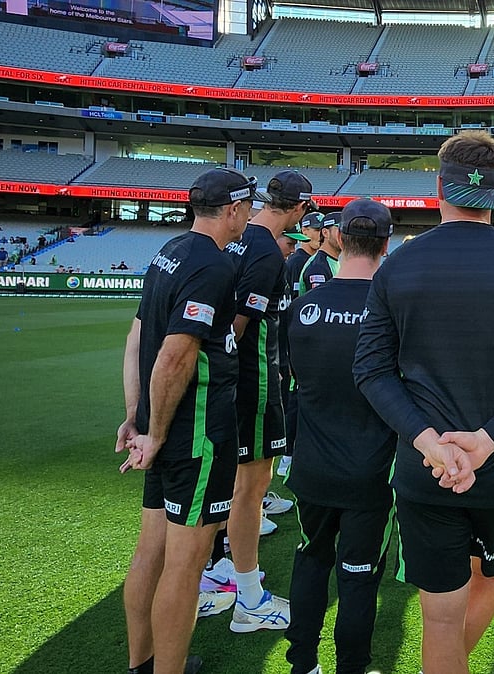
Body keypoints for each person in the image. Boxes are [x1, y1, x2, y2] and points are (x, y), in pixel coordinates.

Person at [353, 130, 494, 674]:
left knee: (440, 618)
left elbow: (372, 370)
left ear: (438, 187)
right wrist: (487, 441)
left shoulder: (398, 267)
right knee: (489, 583)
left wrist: (430, 442)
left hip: (425, 469)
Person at [115, 167, 255, 674]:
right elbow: (175, 356)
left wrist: (136, 416)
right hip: (196, 434)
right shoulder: (213, 266)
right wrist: (153, 430)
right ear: (235, 210)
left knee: (150, 552)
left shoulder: (168, 251)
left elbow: (136, 339)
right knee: (185, 564)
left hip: (162, 428)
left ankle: (142, 665)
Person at [284, 199, 397, 674]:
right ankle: (352, 666)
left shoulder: (306, 306)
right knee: (358, 576)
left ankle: (302, 664)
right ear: (385, 245)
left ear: (339, 239)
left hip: (312, 466)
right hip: (370, 473)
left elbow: (294, 379)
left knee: (311, 561)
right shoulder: (394, 310)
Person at [201, 170, 313, 634]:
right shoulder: (267, 251)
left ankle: (214, 576)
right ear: (300, 208)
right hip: (255, 385)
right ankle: (249, 598)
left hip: (236, 385)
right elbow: (239, 328)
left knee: (232, 488)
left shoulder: (241, 238)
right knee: (249, 491)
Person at [277, 210, 323, 479]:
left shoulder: (307, 260)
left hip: (296, 341)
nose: (319, 234)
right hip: (292, 342)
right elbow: (292, 308)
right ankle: (287, 453)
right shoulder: (298, 262)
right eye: (315, 229)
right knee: (293, 398)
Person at [299, 213, 342, 293]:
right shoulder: (318, 267)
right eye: (340, 229)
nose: (344, 235)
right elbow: (318, 302)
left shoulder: (334, 261)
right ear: (325, 233)